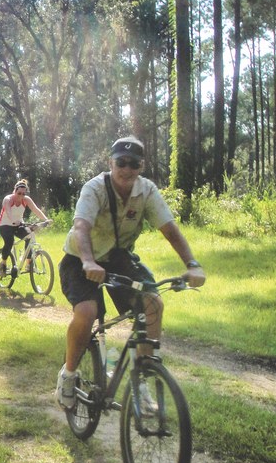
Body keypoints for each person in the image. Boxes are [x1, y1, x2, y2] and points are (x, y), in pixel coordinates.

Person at [55, 137, 206, 410]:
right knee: (88, 312)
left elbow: (170, 230)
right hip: (80, 259)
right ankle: (68, 374)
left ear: (141, 165)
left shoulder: (146, 191)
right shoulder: (95, 188)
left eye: (133, 164)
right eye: (121, 162)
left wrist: (192, 264)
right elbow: (81, 227)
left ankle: (142, 381)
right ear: (110, 162)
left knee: (152, 304)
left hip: (118, 258)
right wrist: (89, 262)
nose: (126, 169)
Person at [0, 179, 50, 272]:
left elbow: (35, 210)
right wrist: (13, 220)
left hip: (18, 224)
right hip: (5, 224)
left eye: (24, 194)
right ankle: (3, 264)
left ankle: (28, 264)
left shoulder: (26, 200)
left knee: (29, 237)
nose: (21, 196)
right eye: (19, 193)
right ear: (15, 191)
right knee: (9, 241)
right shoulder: (8, 199)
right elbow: (8, 212)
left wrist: (45, 219)